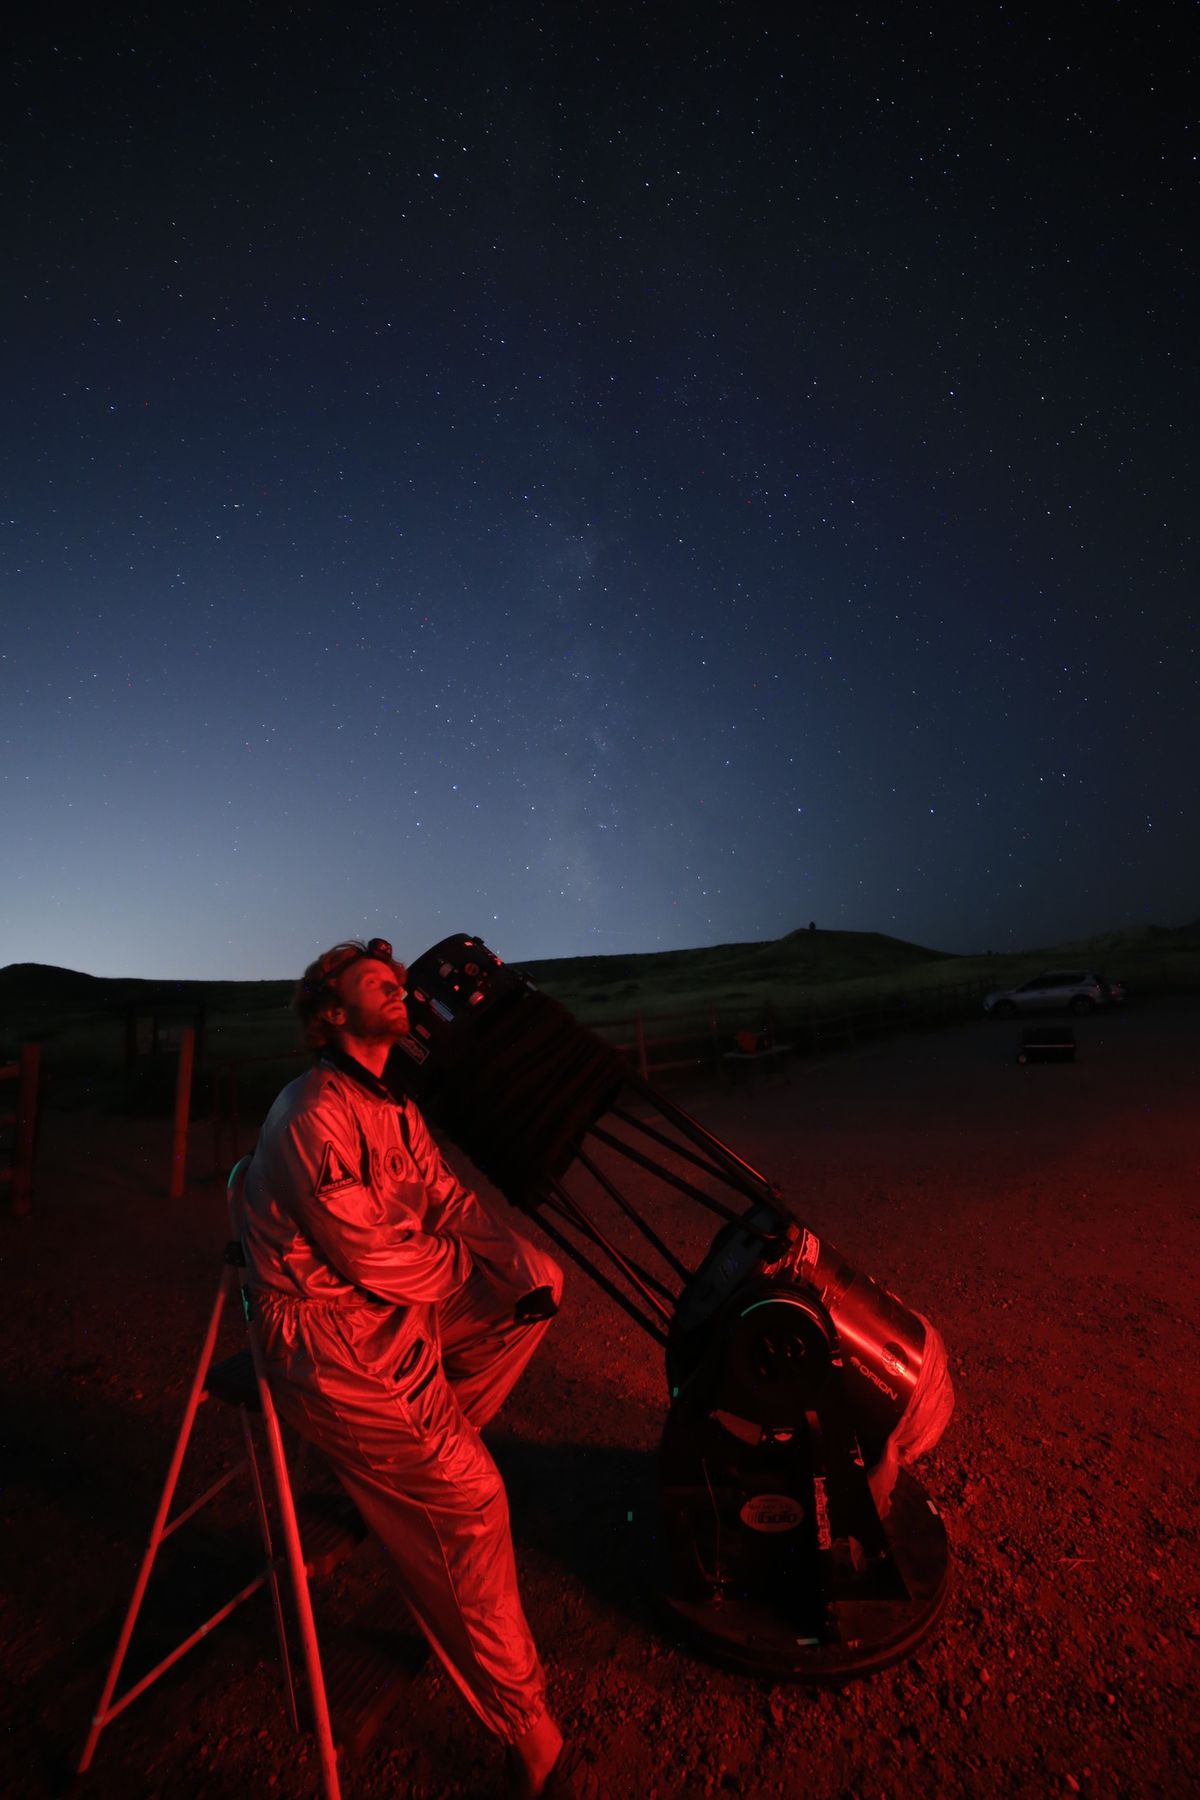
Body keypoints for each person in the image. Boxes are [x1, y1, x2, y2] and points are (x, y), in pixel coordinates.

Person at [241, 937, 581, 1798]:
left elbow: (449, 1200)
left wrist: (513, 1264)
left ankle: (413, 1461)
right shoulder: (313, 1114)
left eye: (399, 985)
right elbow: (374, 1256)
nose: (400, 993)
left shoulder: (391, 1104)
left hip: (391, 1310)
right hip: (326, 1340)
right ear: (330, 1015)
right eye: (377, 986)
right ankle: (526, 1729)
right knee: (474, 1499)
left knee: (537, 1282)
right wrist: (468, 1271)